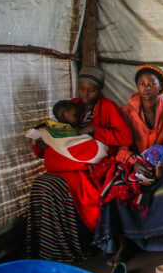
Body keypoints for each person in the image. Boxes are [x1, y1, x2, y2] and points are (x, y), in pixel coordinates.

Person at [26, 65, 132, 262]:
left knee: (55, 188)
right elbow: (58, 138)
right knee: (41, 185)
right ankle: (49, 250)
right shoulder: (70, 106)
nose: (85, 94)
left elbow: (125, 136)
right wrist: (42, 144)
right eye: (82, 89)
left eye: (90, 90)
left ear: (100, 90)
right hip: (65, 165)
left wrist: (95, 130)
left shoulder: (108, 108)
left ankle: (76, 247)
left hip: (89, 167)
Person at [94, 65, 163, 266]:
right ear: (137, 87)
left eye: (152, 84)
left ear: (160, 87)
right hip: (133, 164)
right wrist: (135, 163)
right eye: (142, 84)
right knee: (116, 190)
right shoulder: (126, 111)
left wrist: (161, 164)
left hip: (162, 164)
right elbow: (121, 147)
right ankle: (124, 244)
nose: (147, 88)